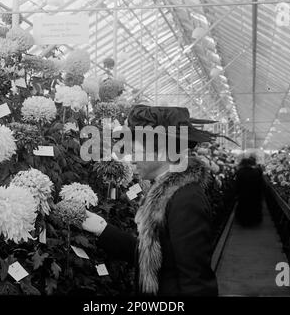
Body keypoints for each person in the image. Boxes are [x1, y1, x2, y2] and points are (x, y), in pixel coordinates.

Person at [81, 104, 222, 296]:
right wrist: (104, 230)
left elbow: (196, 283)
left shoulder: (186, 200)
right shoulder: (165, 193)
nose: (128, 155)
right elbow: (155, 256)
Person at [234, 155, 264, 227]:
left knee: (244, 207)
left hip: (243, 194)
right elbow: (260, 184)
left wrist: (236, 193)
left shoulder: (240, 172)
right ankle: (254, 221)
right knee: (253, 207)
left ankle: (244, 222)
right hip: (254, 194)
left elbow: (237, 184)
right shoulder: (256, 172)